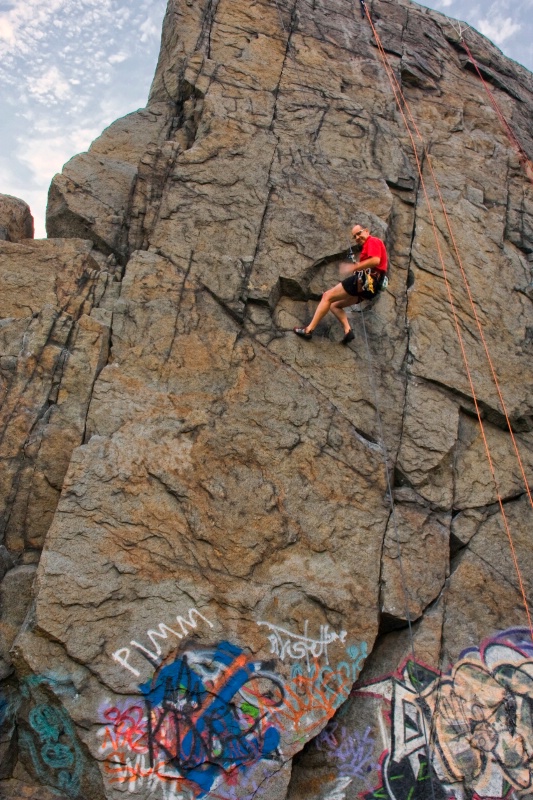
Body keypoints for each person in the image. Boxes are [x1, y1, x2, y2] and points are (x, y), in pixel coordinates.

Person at [293, 224, 388, 344]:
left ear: (367, 231)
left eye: (359, 233)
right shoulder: (367, 246)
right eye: (355, 237)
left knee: (327, 296)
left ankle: (308, 330)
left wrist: (355, 266)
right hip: (370, 289)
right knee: (334, 305)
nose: (357, 237)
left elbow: (375, 260)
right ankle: (348, 331)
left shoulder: (373, 241)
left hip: (365, 282)